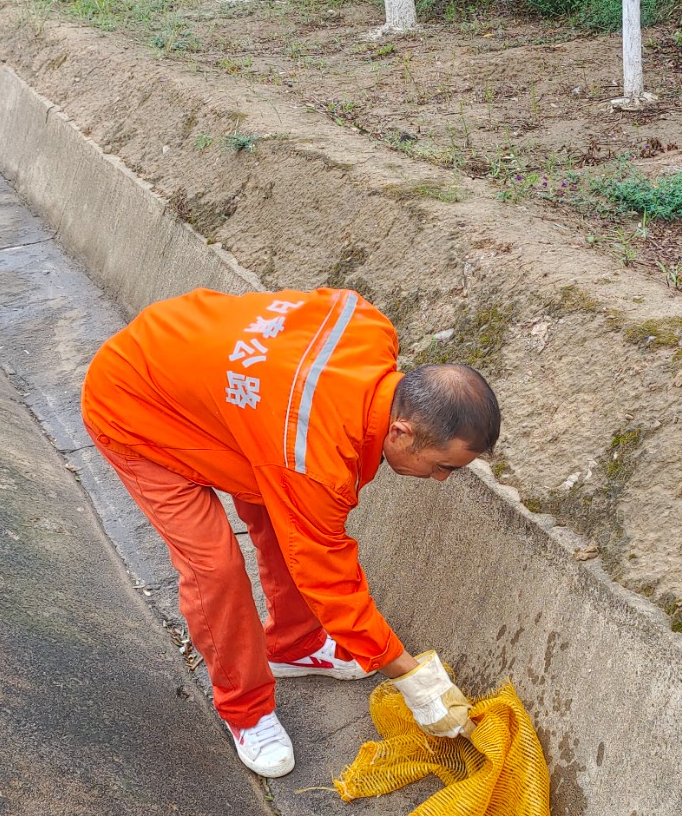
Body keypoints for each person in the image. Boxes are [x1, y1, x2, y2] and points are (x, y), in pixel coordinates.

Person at [81, 286, 497, 777]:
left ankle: (295, 645)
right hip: (134, 405)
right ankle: (245, 710)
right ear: (403, 431)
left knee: (285, 523)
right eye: (442, 465)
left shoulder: (368, 326)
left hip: (195, 371)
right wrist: (416, 680)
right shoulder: (312, 458)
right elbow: (330, 579)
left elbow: (323, 308)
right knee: (214, 566)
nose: (442, 479)